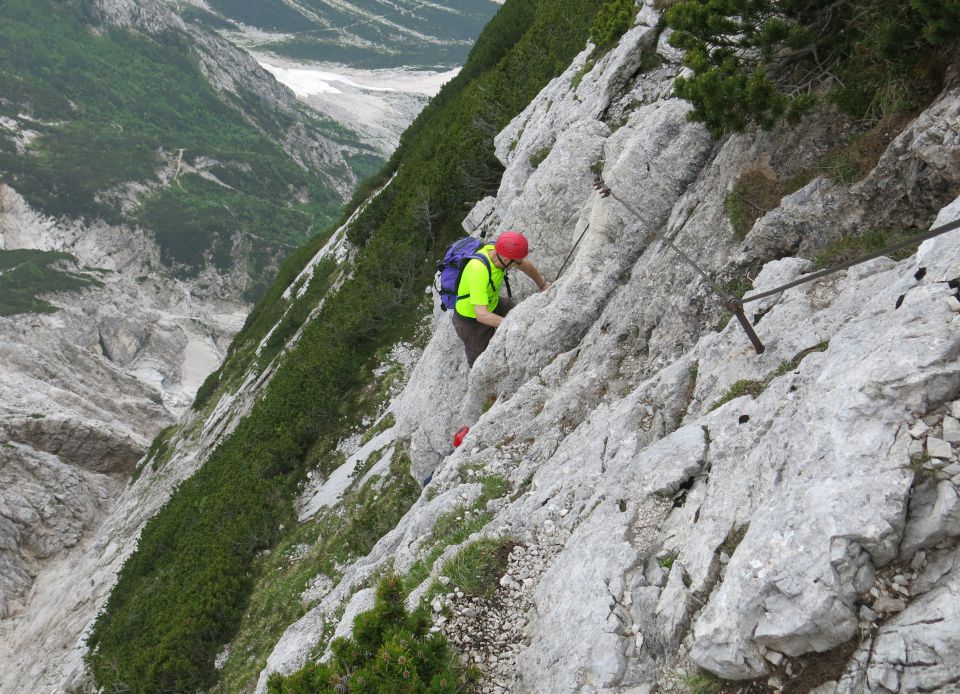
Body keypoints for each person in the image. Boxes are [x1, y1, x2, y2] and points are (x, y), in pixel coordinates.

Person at [452, 231, 551, 367]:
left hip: (492, 303)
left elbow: (525, 265)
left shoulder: (500, 252)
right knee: (482, 360)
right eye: (514, 264)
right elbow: (481, 315)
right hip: (471, 321)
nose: (515, 266)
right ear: (505, 260)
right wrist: (511, 324)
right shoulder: (478, 270)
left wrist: (542, 285)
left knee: (518, 311)